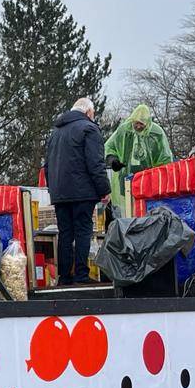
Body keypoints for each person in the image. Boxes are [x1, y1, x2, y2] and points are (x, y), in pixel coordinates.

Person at [43, 97, 111, 285]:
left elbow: (47, 166)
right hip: (83, 192)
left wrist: (53, 190)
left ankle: (64, 277)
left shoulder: (55, 133)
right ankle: (81, 275)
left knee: (65, 234)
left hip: (60, 193)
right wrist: (104, 189)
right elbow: (95, 163)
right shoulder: (89, 129)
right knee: (82, 231)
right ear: (89, 112)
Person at [104, 104, 173, 217]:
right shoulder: (124, 130)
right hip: (125, 179)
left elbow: (165, 158)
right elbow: (109, 146)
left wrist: (160, 176)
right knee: (127, 214)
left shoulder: (156, 133)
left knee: (146, 214)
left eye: (142, 124)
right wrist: (113, 160)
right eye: (136, 123)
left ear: (148, 123)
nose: (138, 126)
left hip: (149, 181)